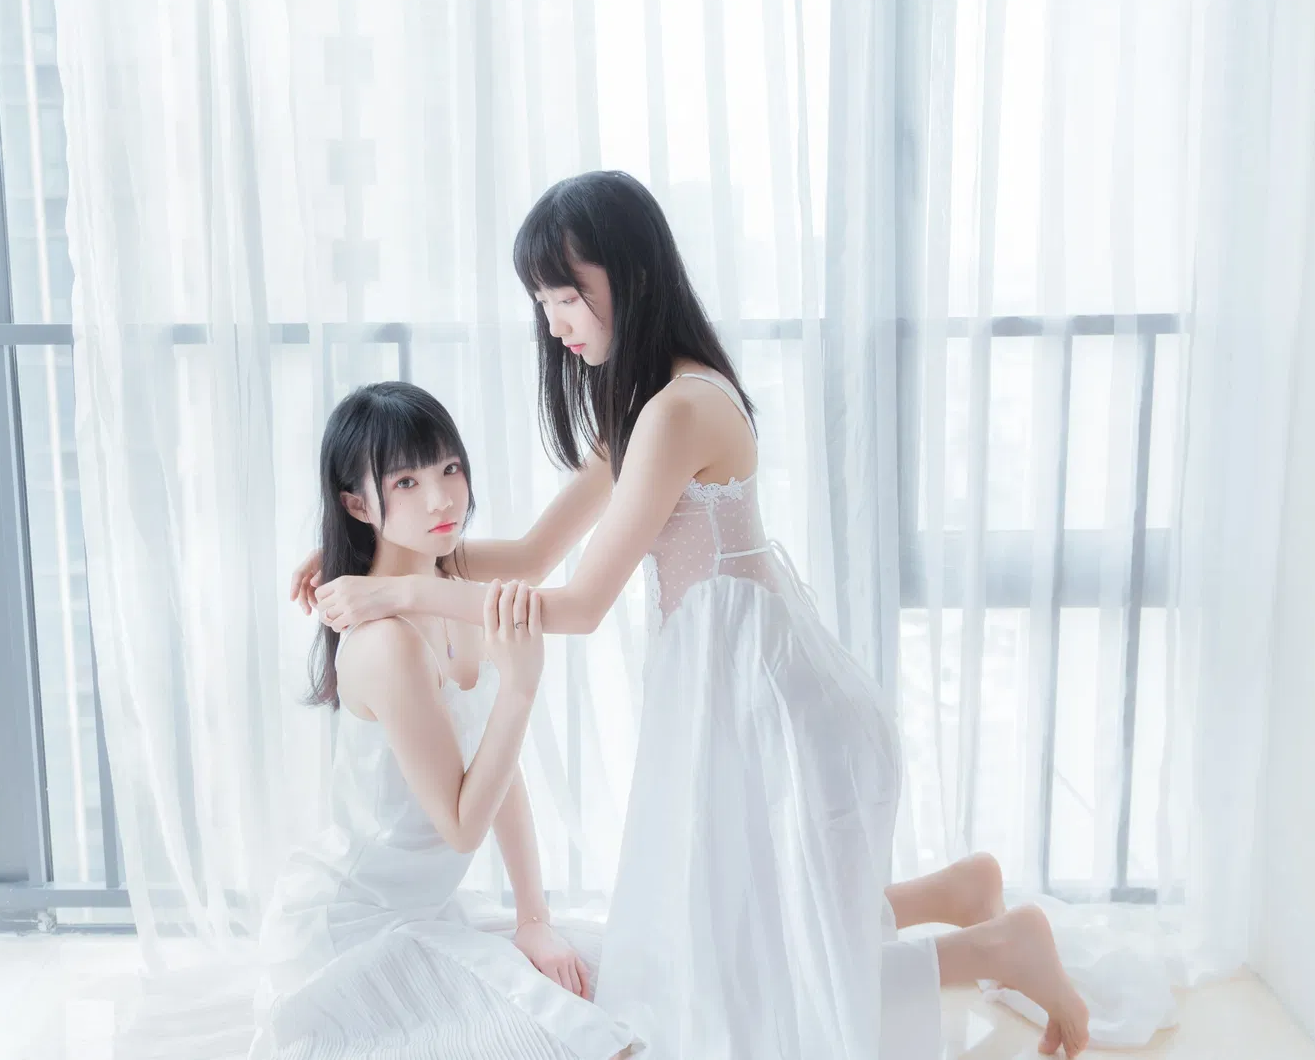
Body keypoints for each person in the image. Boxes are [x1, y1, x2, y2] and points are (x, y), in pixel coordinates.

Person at [298, 171, 1090, 1058]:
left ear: (629, 276)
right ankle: (958, 892)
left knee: (751, 984)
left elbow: (577, 606)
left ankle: (997, 945)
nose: (554, 325)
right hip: (728, 685)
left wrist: (399, 591)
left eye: (566, 297)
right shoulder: (648, 404)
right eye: (543, 303)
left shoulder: (679, 411)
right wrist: (365, 556)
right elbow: (527, 556)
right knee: (730, 935)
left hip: (767, 702)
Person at [257, 381, 638, 1060]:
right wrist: (519, 688)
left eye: (450, 468)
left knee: (622, 983)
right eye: (405, 481)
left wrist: (533, 916)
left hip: (425, 913)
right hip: (355, 932)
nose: (441, 499)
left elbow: (533, 558)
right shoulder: (387, 643)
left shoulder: (448, 581)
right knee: (577, 1038)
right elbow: (463, 825)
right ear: (356, 504)